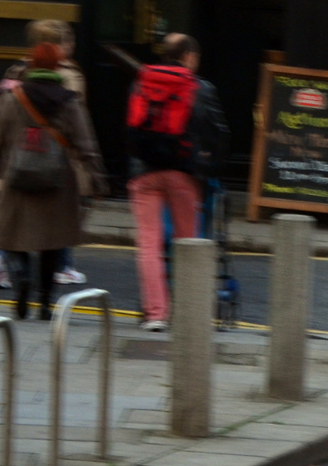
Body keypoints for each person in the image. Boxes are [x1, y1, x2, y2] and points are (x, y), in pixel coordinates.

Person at [0, 42, 106, 321]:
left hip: (18, 177)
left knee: (13, 237)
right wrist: (97, 179)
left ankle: (22, 283)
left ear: (31, 64)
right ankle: (44, 303)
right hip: (58, 180)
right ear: (56, 66)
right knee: (52, 243)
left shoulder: (12, 97)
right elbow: (86, 144)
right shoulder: (69, 100)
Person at [126, 33, 228, 332]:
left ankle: (156, 313)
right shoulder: (200, 88)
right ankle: (189, 312)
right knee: (188, 243)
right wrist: (208, 165)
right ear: (188, 57)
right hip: (184, 173)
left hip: (144, 173)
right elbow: (220, 133)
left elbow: (131, 128)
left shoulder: (140, 81)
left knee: (148, 243)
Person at [0, 20, 89, 290]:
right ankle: (58, 271)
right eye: (68, 42)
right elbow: (77, 121)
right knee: (56, 222)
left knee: (14, 219)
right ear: (60, 46)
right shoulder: (69, 74)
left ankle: (4, 259)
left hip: (15, 158)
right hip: (55, 162)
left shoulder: (16, 69)